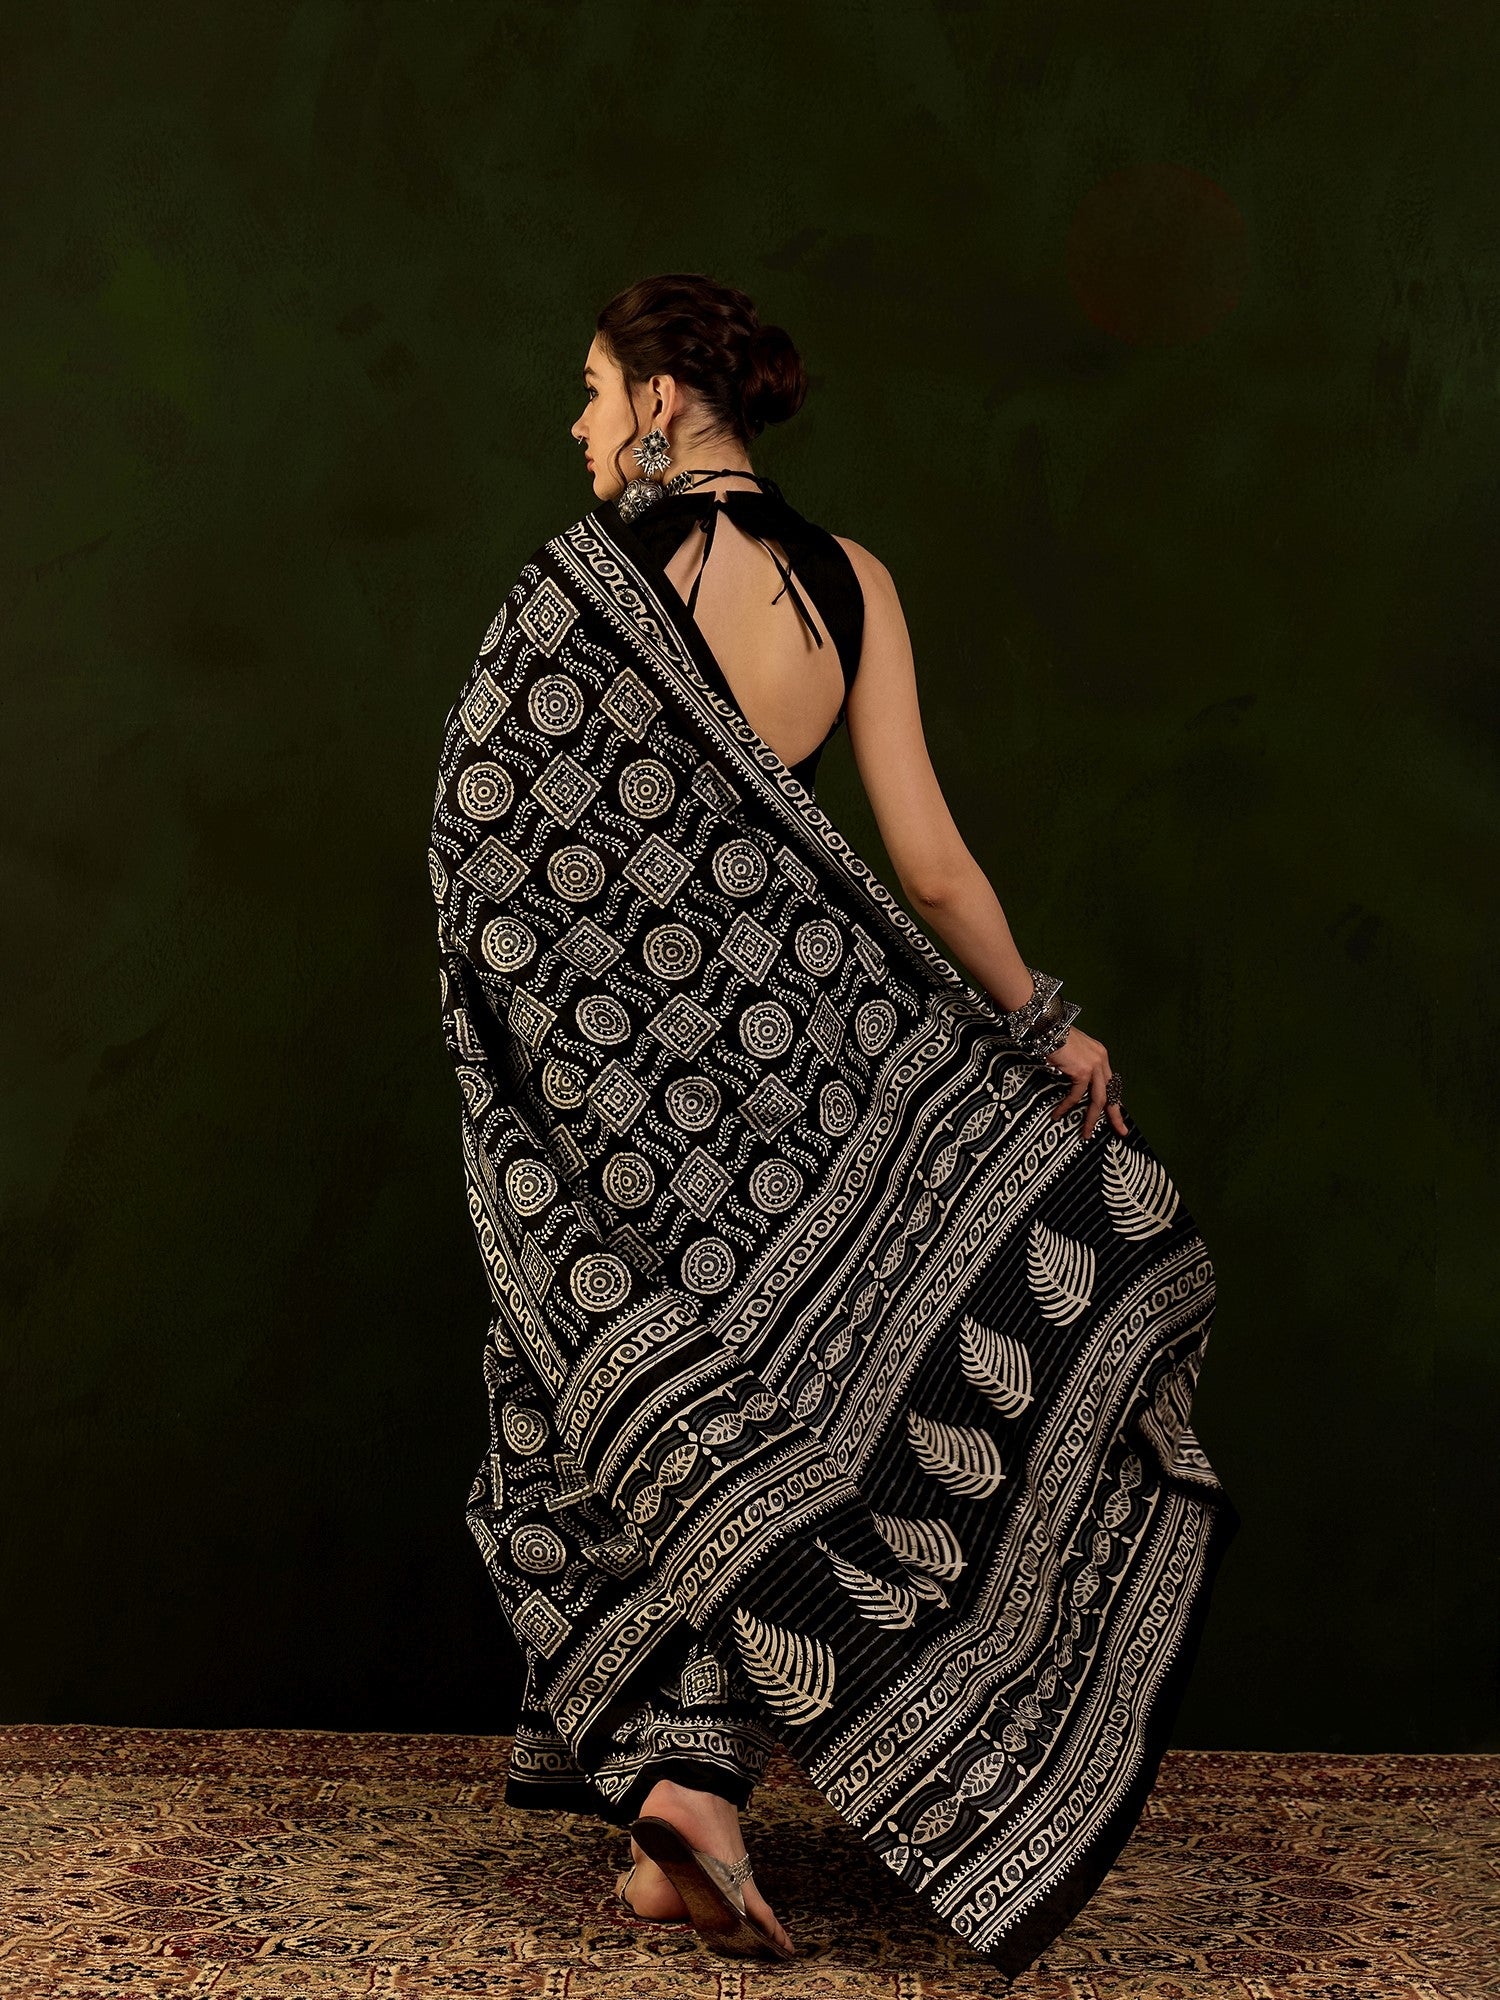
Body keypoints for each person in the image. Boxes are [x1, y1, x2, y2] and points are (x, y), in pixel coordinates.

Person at [429, 273, 1234, 1970]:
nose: (578, 426)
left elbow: (480, 836)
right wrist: (1045, 1025)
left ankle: (686, 1796)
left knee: (625, 1416)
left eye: (593, 392)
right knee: (777, 1423)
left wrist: (553, 1063)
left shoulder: (573, 592)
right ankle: (692, 1812)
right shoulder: (852, 585)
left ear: (662, 402)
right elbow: (926, 864)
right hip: (806, 1092)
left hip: (615, 1111)